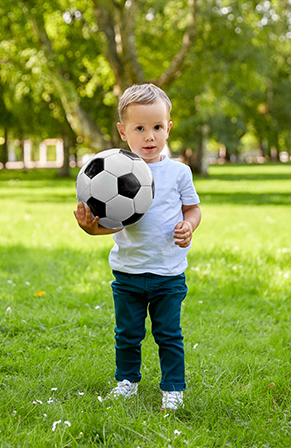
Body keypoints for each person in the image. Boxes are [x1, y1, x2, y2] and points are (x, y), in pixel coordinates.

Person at [73, 83, 201, 411]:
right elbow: (115, 224)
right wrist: (92, 229)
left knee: (168, 334)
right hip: (128, 272)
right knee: (127, 334)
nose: (149, 136)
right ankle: (126, 381)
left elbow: (193, 209)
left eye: (157, 127)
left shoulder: (178, 172)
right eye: (140, 128)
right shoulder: (111, 171)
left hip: (168, 274)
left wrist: (189, 225)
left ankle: (173, 389)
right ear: (122, 131)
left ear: (168, 128)